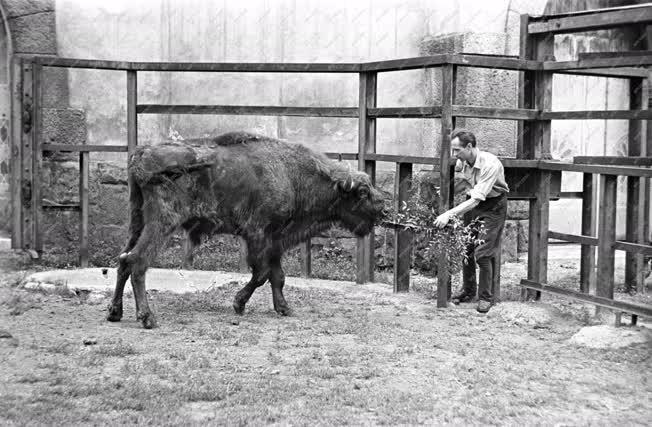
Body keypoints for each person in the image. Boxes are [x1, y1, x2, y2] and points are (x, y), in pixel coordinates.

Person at [434, 129, 509, 313]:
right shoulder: (463, 159)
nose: (454, 155)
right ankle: (468, 291)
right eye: (452, 150)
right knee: (466, 247)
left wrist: (448, 214)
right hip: (473, 204)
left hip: (493, 206)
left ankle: (486, 298)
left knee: (483, 252)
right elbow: (461, 178)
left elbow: (477, 199)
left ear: (469, 147)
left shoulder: (490, 164)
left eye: (457, 150)